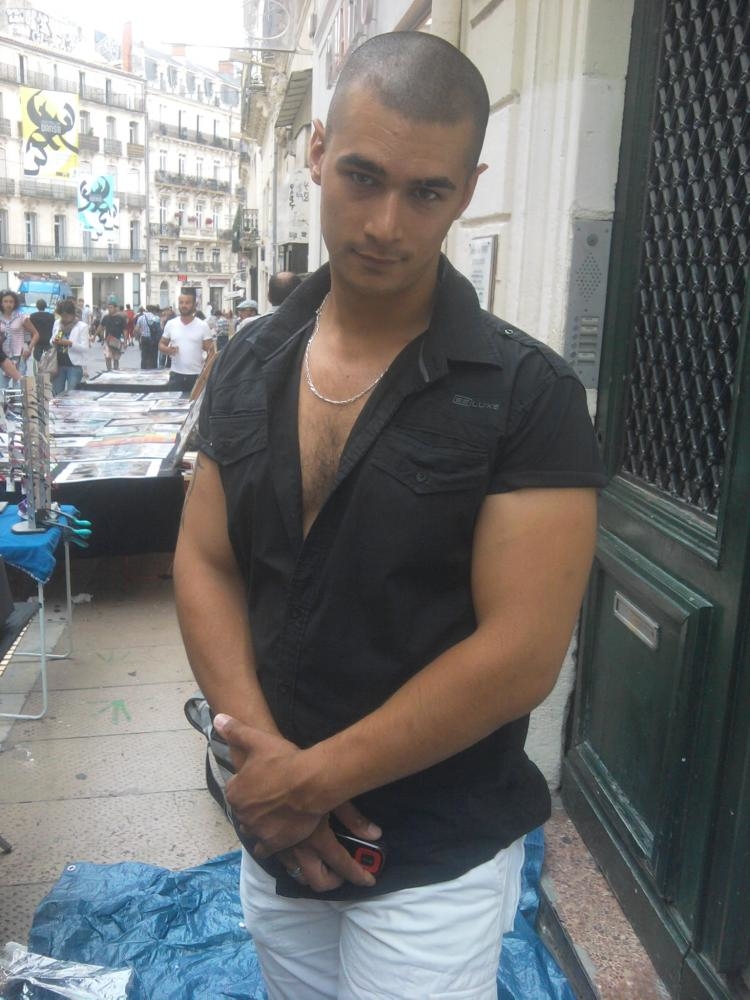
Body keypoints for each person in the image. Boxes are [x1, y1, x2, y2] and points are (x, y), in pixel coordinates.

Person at [173, 31, 607, 1000]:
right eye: (362, 177)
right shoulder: (249, 361)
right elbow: (206, 559)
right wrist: (265, 765)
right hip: (273, 825)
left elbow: (522, 654)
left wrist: (310, 781)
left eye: (427, 193)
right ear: (317, 150)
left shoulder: (528, 394)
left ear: (469, 188)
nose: (384, 224)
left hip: (431, 854)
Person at [158, 291, 213, 392]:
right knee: (174, 402)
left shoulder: (203, 326)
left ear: (194, 305)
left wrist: (206, 370)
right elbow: (161, 344)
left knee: (196, 403)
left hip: (197, 376)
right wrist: (167, 350)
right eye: (181, 302)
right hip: (176, 375)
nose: (184, 305)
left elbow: (211, 351)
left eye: (187, 303)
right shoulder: (171, 324)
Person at [0, 290, 39, 388]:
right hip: (3, 357)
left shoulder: (22, 317)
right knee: (2, 387)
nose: (8, 304)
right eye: (5, 301)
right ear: (1, 303)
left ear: (15, 303)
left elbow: (35, 334)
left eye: (11, 301)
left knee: (19, 387)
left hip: (19, 355)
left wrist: (29, 348)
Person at [50, 299, 89, 395]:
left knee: (72, 394)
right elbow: (52, 340)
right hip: (58, 364)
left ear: (72, 314)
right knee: (57, 393)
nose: (64, 318)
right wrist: (55, 341)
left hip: (74, 365)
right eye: (62, 316)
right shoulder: (58, 323)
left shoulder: (82, 326)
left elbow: (84, 348)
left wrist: (69, 343)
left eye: (66, 316)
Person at [97, 296, 126, 370]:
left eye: (111, 307)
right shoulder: (106, 317)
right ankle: (109, 371)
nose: (109, 309)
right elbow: (101, 326)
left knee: (116, 359)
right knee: (107, 357)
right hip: (107, 341)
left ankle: (116, 371)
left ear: (116, 308)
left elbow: (124, 330)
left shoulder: (121, 318)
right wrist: (94, 336)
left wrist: (125, 341)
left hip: (117, 341)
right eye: (108, 307)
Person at [136, 304, 162, 369]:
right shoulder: (156, 318)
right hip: (154, 339)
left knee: (144, 357)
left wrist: (140, 336)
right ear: (154, 310)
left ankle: (144, 370)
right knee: (154, 357)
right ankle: (153, 370)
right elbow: (160, 329)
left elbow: (136, 329)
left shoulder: (141, 318)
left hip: (144, 338)